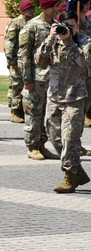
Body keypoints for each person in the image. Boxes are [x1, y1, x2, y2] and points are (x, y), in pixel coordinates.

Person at [36, 11, 91, 193]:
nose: (67, 29)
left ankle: (69, 177)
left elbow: (84, 63)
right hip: (54, 97)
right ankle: (78, 171)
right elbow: (40, 61)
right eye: (64, 25)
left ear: (77, 26)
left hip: (75, 97)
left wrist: (69, 42)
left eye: (71, 25)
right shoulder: (53, 40)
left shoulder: (85, 42)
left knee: (70, 139)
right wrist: (51, 38)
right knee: (55, 137)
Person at [20, 0, 61, 159]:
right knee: (33, 114)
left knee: (46, 115)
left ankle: (42, 145)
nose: (56, 9)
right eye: (54, 6)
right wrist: (27, 80)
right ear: (46, 7)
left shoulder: (57, 25)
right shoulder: (31, 26)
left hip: (52, 78)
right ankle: (32, 147)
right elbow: (23, 55)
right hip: (36, 78)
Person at [5, 0, 34, 123]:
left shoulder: (32, 23)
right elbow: (10, 43)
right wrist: (12, 61)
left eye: (32, 8)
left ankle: (23, 111)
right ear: (23, 10)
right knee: (16, 86)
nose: (31, 11)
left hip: (28, 60)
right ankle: (15, 112)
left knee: (26, 86)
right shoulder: (16, 23)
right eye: (29, 8)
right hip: (17, 60)